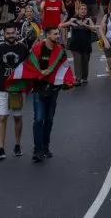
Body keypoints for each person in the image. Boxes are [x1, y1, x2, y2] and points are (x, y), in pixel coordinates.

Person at [0, 23, 30, 161]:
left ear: (16, 34)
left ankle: (17, 145)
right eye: (8, 33)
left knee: (17, 117)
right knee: (2, 116)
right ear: (4, 35)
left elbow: (29, 67)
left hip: (17, 88)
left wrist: (29, 86)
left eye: (12, 33)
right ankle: (1, 148)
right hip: (2, 87)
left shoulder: (23, 48)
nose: (10, 35)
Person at [29, 27, 69, 162]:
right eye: (55, 34)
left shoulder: (60, 51)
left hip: (53, 89)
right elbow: (30, 65)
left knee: (49, 120)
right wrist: (41, 72)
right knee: (39, 119)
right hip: (38, 88)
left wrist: (67, 82)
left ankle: (45, 147)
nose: (58, 36)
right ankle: (37, 150)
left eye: (58, 33)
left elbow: (64, 67)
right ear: (47, 35)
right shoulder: (38, 48)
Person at [62, 3, 96, 86]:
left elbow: (93, 28)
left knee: (85, 61)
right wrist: (70, 23)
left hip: (86, 44)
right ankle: (77, 79)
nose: (83, 11)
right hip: (75, 45)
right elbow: (62, 25)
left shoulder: (89, 19)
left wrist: (84, 24)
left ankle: (84, 77)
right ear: (78, 10)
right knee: (77, 61)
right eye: (81, 9)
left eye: (85, 9)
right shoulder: (73, 19)